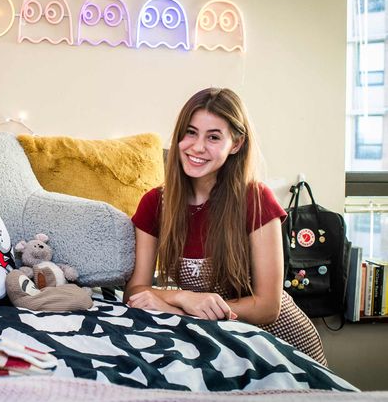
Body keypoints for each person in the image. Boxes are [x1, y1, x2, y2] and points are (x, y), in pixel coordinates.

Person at [124, 87, 327, 366]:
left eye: (214, 137)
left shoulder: (256, 199)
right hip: (217, 341)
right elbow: (135, 290)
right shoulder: (154, 203)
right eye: (191, 132)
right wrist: (184, 298)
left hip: (278, 343)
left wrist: (182, 311)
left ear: (236, 144)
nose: (197, 146)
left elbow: (268, 307)